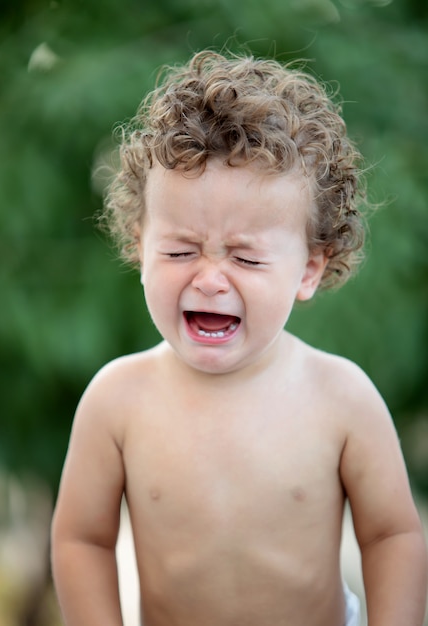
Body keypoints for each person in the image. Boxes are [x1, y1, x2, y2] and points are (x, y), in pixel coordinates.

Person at [51, 50, 427, 626]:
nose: (209, 278)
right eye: (179, 251)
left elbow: (392, 534)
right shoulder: (117, 401)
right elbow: (82, 539)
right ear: (138, 246)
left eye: (247, 258)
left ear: (309, 269)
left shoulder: (340, 398)